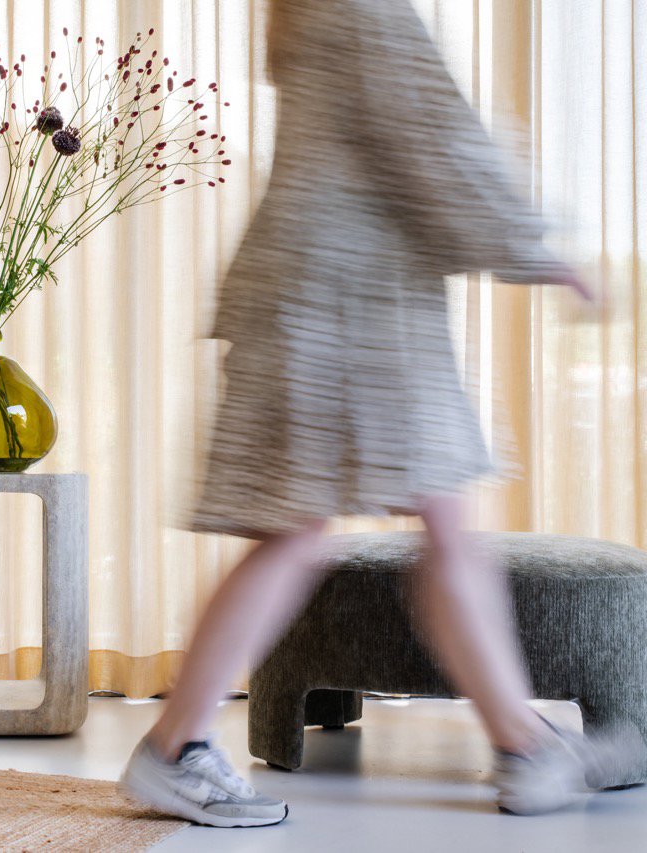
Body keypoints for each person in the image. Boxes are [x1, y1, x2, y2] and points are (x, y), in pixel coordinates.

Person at [118, 0, 600, 828]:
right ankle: (174, 748)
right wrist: (535, 248)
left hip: (335, 294)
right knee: (327, 525)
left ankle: (523, 743)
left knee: (406, 520)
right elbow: (432, 141)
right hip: (344, 302)